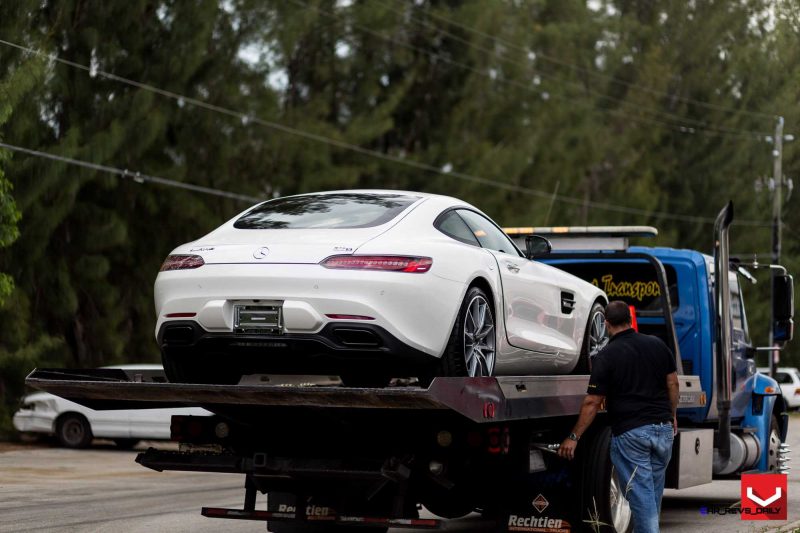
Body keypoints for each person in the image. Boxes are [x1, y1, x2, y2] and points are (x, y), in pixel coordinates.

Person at [558, 300, 679, 533]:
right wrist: (671, 415)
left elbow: (592, 402)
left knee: (642, 499)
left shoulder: (607, 355)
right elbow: (673, 383)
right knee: (651, 496)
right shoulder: (657, 345)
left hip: (632, 434)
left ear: (605, 323)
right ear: (630, 319)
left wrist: (573, 436)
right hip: (663, 431)